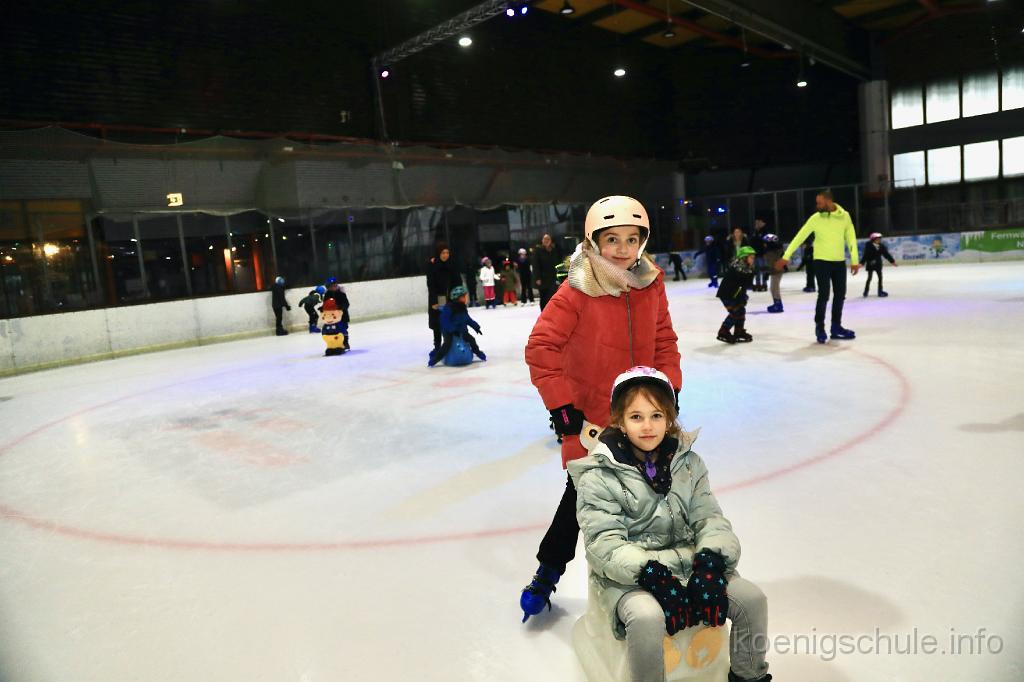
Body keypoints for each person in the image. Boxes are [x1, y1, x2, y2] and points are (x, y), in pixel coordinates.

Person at [520, 195, 682, 622]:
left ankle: (654, 578)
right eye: (612, 239)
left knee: (654, 498)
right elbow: (541, 349)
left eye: (632, 238)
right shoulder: (577, 288)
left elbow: (664, 341)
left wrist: (669, 390)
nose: (623, 249)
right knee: (581, 501)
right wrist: (563, 410)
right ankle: (548, 572)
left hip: (642, 416)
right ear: (593, 241)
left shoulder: (650, 283)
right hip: (592, 421)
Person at [570, 367, 771, 682]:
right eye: (636, 417)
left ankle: (749, 677)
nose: (647, 426)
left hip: (692, 566)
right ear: (620, 421)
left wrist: (710, 563)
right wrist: (651, 575)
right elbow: (603, 544)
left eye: (657, 415)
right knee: (647, 618)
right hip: (630, 578)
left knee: (752, 601)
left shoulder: (688, 464)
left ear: (669, 418)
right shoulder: (599, 475)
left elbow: (710, 519)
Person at [775, 189, 860, 344]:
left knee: (840, 295)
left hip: (839, 262)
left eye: (819, 203)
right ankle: (820, 327)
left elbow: (851, 239)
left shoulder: (845, 216)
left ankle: (836, 327)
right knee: (824, 294)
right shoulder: (815, 218)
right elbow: (799, 237)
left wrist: (855, 260)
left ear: (829, 201)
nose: (817, 205)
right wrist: (786, 256)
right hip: (821, 262)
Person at [428, 285, 486, 366]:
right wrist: (452, 330)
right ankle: (435, 359)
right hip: (449, 332)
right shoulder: (449, 308)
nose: (466, 298)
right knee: (447, 344)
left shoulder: (462, 308)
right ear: (458, 298)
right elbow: (445, 322)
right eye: (463, 297)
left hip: (462, 330)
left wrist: (476, 327)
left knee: (472, 340)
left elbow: (467, 319)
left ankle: (478, 352)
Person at [716, 246, 755, 344]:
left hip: (736, 294)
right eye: (751, 257)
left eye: (753, 257)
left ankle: (739, 331)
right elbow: (737, 284)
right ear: (744, 258)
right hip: (727, 294)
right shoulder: (737, 268)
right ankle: (723, 331)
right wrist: (740, 297)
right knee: (736, 312)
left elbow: (745, 285)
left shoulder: (746, 269)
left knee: (741, 311)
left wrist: (742, 297)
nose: (753, 259)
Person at [427, 243, 460, 351]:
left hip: (451, 298)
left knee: (452, 321)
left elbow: (458, 282)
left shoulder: (452, 264)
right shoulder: (433, 266)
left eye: (447, 253)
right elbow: (431, 285)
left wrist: (460, 297)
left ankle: (452, 345)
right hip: (438, 298)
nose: (445, 255)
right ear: (438, 254)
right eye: (443, 253)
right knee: (438, 323)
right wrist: (433, 301)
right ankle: (437, 347)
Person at [862, 232, 897, 297]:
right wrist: (861, 263)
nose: (879, 240)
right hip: (870, 264)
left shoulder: (881, 246)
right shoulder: (868, 245)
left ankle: (880, 291)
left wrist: (892, 261)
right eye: (877, 239)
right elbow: (865, 255)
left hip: (878, 264)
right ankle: (866, 291)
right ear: (873, 239)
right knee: (869, 278)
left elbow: (886, 254)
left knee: (880, 278)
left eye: (880, 239)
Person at [532, 233, 562, 310]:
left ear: (551, 240)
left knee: (553, 297)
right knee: (544, 297)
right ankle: (544, 312)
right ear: (542, 240)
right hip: (542, 279)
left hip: (553, 278)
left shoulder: (554, 250)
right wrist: (537, 278)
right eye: (545, 239)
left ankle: (551, 312)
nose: (546, 240)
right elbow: (535, 265)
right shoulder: (538, 251)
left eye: (548, 239)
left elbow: (558, 263)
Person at [322, 278, 351, 350]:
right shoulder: (327, 294)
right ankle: (334, 344)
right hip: (331, 317)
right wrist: (323, 308)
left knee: (343, 329)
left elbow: (346, 304)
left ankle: (345, 343)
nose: (333, 287)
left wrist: (339, 307)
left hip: (342, 316)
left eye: (334, 285)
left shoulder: (341, 294)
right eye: (331, 286)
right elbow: (325, 304)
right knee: (332, 330)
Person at [763, 234, 785, 313]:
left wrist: (767, 272)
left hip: (776, 271)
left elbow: (772, 263)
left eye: (765, 242)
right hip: (774, 271)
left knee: (775, 289)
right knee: (773, 288)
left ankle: (778, 305)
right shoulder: (771, 251)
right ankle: (777, 303)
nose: (764, 244)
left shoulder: (773, 252)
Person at [750, 219, 768, 292]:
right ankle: (758, 284)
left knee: (763, 270)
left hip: (762, 254)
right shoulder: (754, 232)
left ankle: (764, 284)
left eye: (759, 223)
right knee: (757, 270)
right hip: (755, 254)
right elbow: (752, 242)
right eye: (756, 223)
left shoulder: (765, 231)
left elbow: (765, 242)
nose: (757, 224)